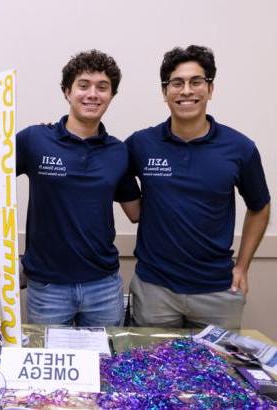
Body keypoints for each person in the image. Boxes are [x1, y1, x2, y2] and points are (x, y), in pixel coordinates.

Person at [126, 45, 271, 329]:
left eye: (196, 82)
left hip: (217, 292)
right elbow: (101, 162)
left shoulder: (239, 148)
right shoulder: (141, 144)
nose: (186, 91)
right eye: (176, 83)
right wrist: (55, 132)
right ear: (164, 92)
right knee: (151, 371)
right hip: (155, 289)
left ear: (210, 88)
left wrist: (242, 266)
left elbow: (260, 207)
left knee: (218, 372)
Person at [16, 49, 141, 327]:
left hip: (104, 287)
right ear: (67, 91)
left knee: (104, 368)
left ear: (111, 95)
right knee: (49, 368)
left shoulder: (118, 151)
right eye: (83, 85)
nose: (92, 94)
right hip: (48, 289)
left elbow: (136, 212)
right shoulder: (35, 140)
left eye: (102, 87)